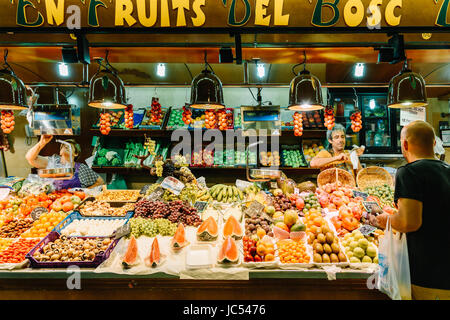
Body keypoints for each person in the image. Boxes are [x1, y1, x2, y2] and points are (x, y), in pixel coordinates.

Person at [377, 120, 450, 300]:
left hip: (427, 274)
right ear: (434, 143)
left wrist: (385, 219)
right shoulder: (447, 170)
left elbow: (408, 222)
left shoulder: (409, 172)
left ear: (405, 144)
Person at [26, 134, 104, 190]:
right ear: (60, 152)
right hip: (53, 202)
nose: (65, 146)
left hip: (74, 202)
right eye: (63, 146)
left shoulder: (81, 168)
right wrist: (41, 143)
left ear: (76, 154)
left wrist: (85, 191)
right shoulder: (52, 161)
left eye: (70, 146)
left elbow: (100, 181)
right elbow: (30, 158)